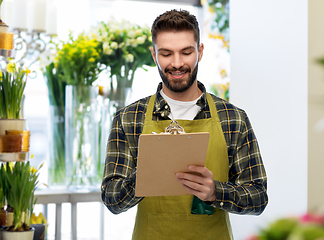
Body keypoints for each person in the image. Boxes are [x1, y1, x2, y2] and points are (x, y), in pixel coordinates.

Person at [101, 9, 268, 240]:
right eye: (166, 54)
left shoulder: (233, 118)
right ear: (154, 55)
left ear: (199, 52)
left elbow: (258, 197)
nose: (177, 64)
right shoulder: (129, 118)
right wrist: (147, 173)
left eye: (186, 52)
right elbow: (112, 200)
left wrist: (215, 192)